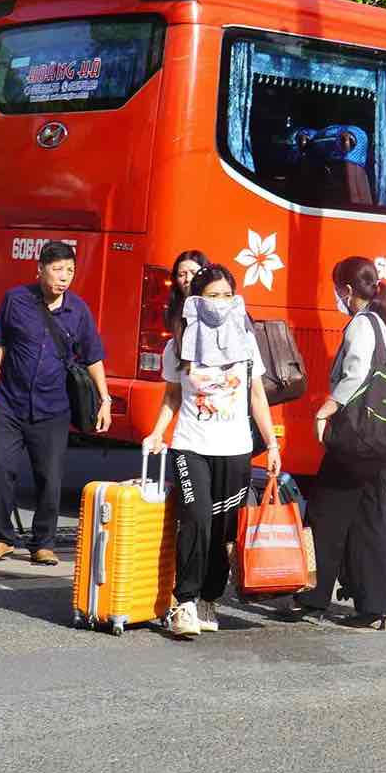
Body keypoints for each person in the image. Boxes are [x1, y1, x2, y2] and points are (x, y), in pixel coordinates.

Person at [143, 264, 279, 638]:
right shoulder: (178, 344)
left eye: (225, 296)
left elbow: (256, 395)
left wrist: (271, 443)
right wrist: (158, 433)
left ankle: (209, 597)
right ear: (196, 300)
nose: (219, 304)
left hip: (235, 448)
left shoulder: (247, 342)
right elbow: (172, 395)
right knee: (197, 519)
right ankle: (184, 601)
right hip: (191, 445)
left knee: (223, 529)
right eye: (211, 296)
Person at [0, 241, 112, 566]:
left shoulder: (77, 311)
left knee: (49, 477)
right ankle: (1, 538)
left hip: (53, 408)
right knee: (2, 470)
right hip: (10, 403)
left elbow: (93, 357)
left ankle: (43, 543)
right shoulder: (16, 300)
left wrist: (104, 398)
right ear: (40, 270)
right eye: (57, 269)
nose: (64, 277)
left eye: (70, 271)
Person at [291, 256, 386, 629]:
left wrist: (325, 410)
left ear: (346, 289)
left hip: (354, 438)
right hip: (382, 439)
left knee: (325, 514)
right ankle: (373, 605)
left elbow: (355, 372)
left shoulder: (360, 324)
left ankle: (314, 598)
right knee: (370, 519)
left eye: (337, 289)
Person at [165, 249, 209, 334]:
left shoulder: (217, 308)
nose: (188, 279)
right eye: (182, 274)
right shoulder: (172, 312)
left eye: (194, 272)